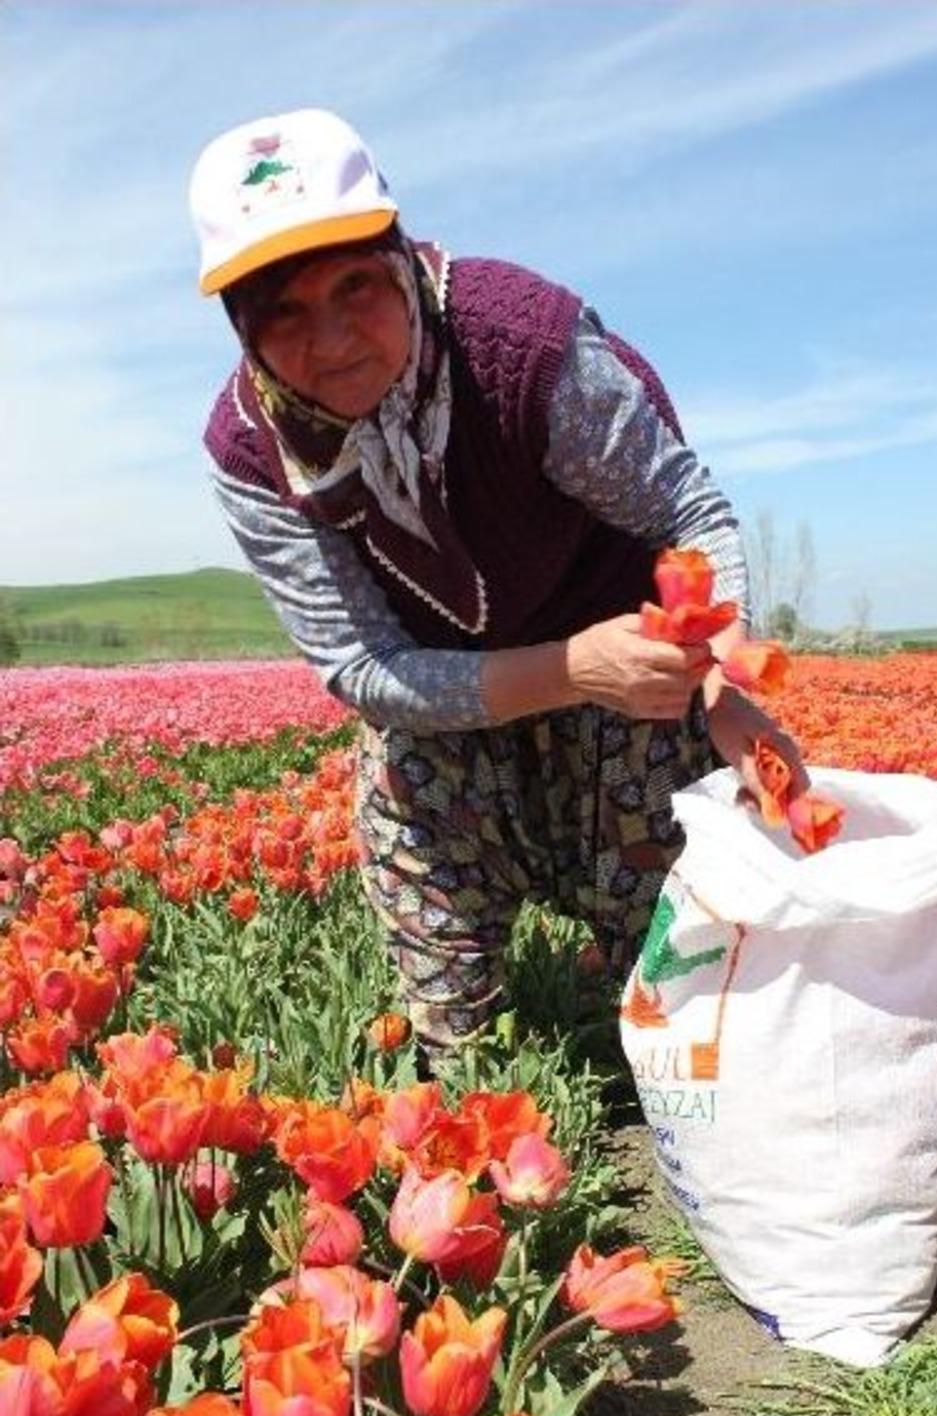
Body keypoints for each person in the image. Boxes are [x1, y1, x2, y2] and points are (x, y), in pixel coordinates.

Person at [189, 108, 806, 1050]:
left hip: (626, 668)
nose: (335, 339)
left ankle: (668, 1031)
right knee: (422, 881)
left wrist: (723, 686)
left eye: (357, 286)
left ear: (397, 258)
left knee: (678, 984)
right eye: (283, 311)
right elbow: (362, 666)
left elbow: (690, 514)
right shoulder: (252, 452)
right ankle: (467, 1056)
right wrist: (562, 670)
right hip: (450, 704)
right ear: (243, 328)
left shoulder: (520, 352)